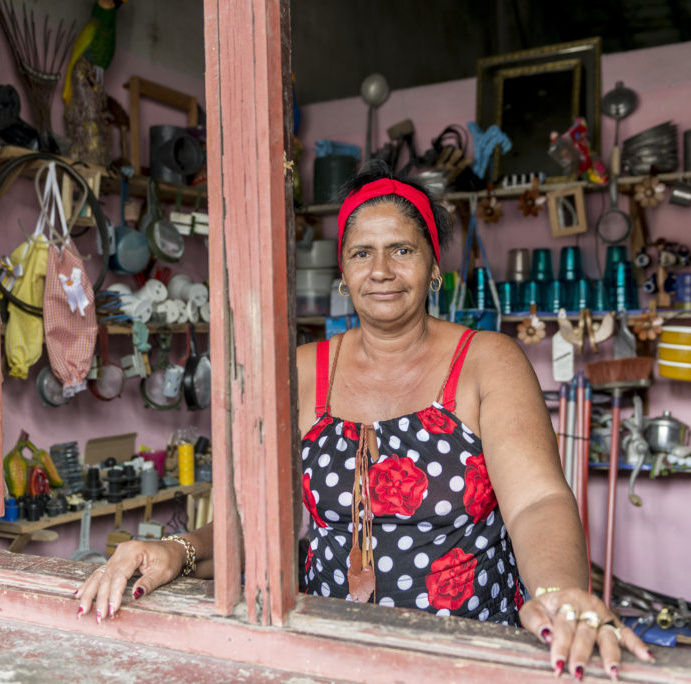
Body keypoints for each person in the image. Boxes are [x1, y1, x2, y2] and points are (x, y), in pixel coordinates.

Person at [75, 163, 653, 679]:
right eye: (361, 253)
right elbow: (258, 526)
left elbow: (537, 503)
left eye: (402, 250)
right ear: (343, 272)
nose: (381, 270)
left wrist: (558, 595)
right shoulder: (303, 372)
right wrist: (179, 550)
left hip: (466, 655)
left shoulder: (486, 361)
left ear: (434, 269)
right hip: (330, 652)